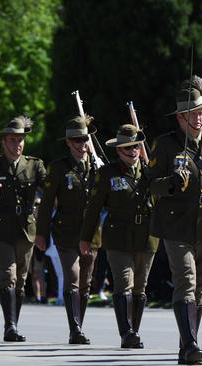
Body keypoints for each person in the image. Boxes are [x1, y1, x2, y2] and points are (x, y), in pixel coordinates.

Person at [149, 75, 202, 365]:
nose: (198, 118)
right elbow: (150, 185)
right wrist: (171, 182)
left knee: (201, 289)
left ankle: (190, 343)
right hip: (177, 223)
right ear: (179, 118)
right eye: (191, 114)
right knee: (185, 280)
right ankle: (189, 344)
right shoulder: (164, 145)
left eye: (200, 112)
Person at [80, 124, 158, 349]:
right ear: (118, 151)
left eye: (135, 146)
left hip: (147, 236)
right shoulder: (107, 173)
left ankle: (135, 329)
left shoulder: (150, 171)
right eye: (127, 148)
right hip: (118, 236)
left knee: (140, 288)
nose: (133, 151)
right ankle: (127, 333)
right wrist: (86, 238)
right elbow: (93, 208)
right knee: (124, 284)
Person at [0, 116, 46, 343]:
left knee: (21, 278)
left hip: (25, 227)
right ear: (3, 141)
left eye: (20, 140)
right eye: (12, 139)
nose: (16, 144)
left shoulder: (34, 164)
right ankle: (9, 326)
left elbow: (49, 190)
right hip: (0, 229)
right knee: (7, 275)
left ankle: (14, 324)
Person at [36, 115, 98, 344]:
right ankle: (75, 329)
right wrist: (41, 234)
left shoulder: (96, 167)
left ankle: (78, 324)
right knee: (72, 277)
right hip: (66, 231)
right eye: (77, 141)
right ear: (68, 143)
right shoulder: (59, 168)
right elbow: (46, 204)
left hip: (91, 232)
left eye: (85, 140)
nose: (82, 145)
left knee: (85, 282)